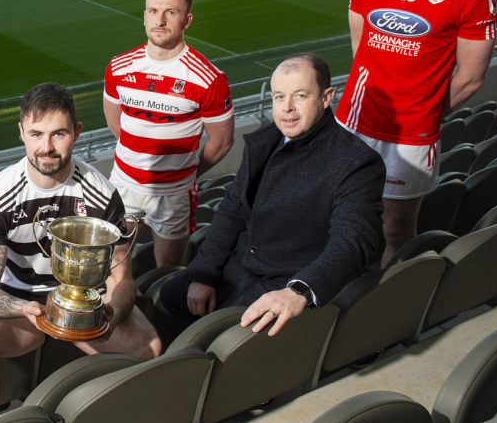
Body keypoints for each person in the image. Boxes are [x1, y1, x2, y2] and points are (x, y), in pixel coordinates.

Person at [0, 83, 162, 413]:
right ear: (21, 132)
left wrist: (110, 313)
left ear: (77, 132)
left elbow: (122, 276)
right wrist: (25, 310)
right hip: (20, 302)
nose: (46, 147)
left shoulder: (102, 194)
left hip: (85, 301)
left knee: (150, 346)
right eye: (36, 134)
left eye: (58, 134)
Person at [337, 0, 497, 265]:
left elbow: (472, 76)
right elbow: (361, 46)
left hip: (412, 135)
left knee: (396, 227)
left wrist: (423, 114)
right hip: (354, 121)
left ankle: (389, 303)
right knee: (339, 215)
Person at [159, 55, 385, 336]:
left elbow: (354, 241)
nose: (287, 108)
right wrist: (204, 273)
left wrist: (299, 290)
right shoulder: (264, 140)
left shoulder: (357, 162)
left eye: (300, 96)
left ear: (326, 98)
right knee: (171, 294)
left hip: (286, 280)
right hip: (242, 269)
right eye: (279, 97)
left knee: (223, 335)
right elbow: (231, 211)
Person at [103, 0, 235, 269]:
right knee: (112, 269)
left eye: (170, 13)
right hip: (123, 186)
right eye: (152, 11)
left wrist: (183, 174)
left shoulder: (209, 79)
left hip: (174, 196)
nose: (159, 20)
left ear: (187, 20)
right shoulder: (119, 67)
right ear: (144, 15)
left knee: (169, 270)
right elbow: (117, 124)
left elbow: (223, 142)